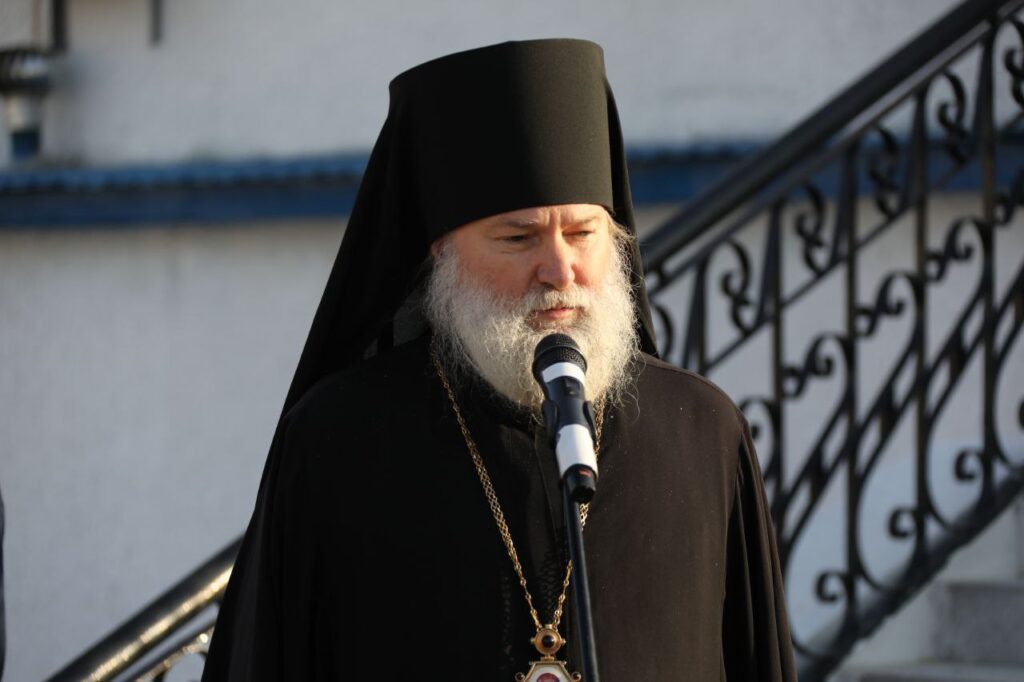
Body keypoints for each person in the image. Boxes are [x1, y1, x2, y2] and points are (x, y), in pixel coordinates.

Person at [202, 39, 797, 681]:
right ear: (441, 252)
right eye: (518, 237)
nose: (560, 270)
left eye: (583, 233)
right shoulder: (335, 443)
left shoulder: (702, 432)